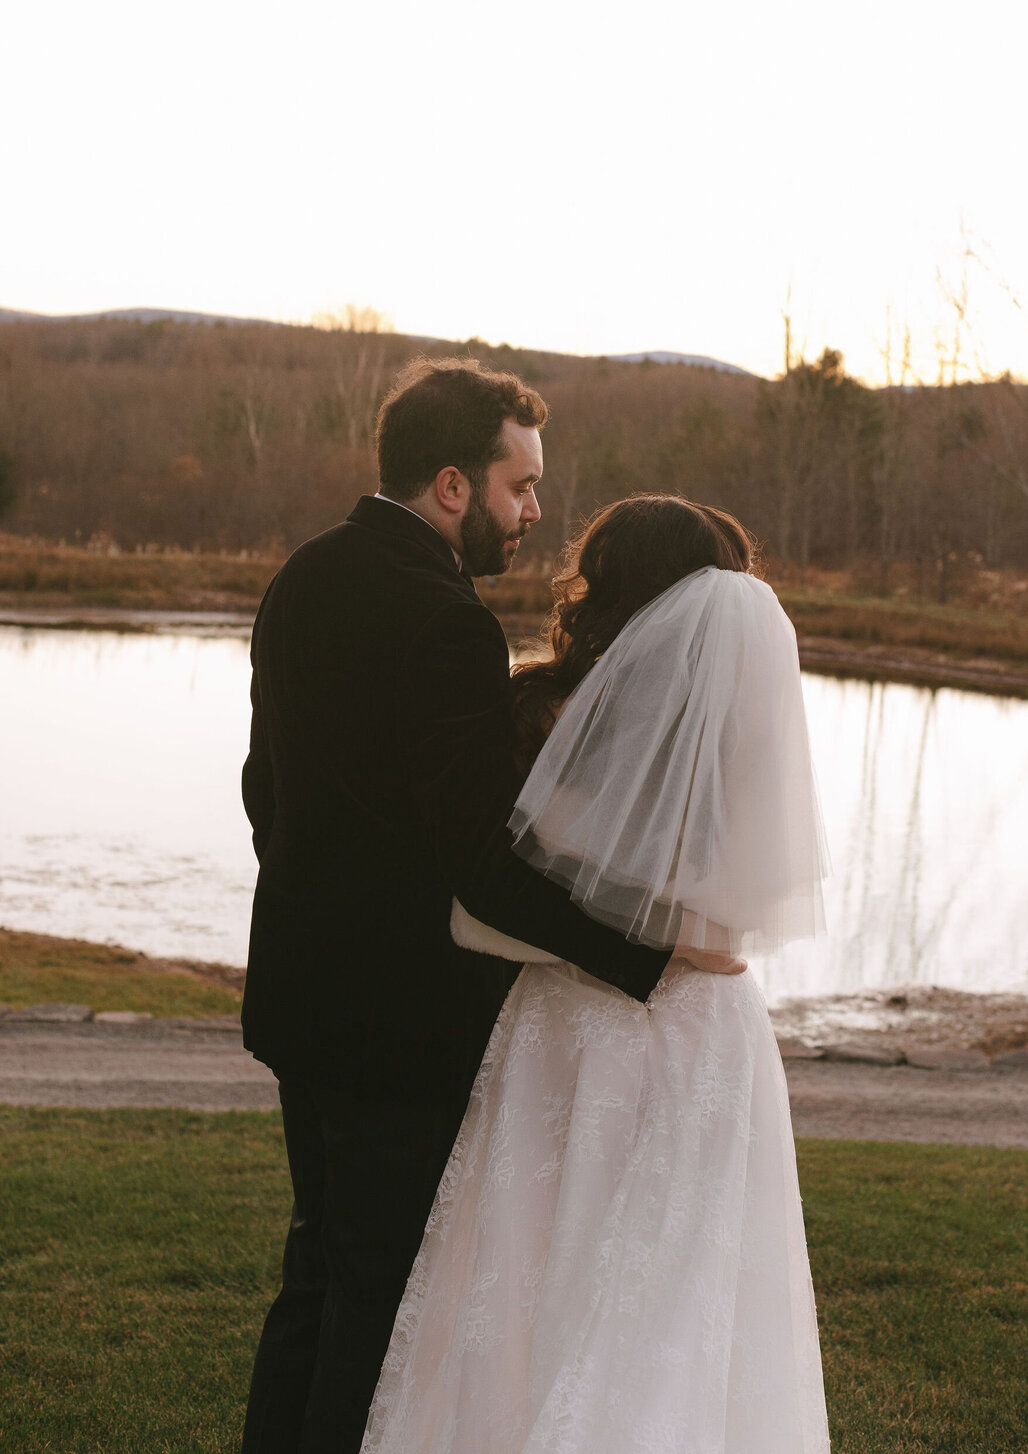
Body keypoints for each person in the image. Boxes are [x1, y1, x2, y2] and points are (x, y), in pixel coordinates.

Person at [238, 362, 744, 1454]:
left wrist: (317, 899)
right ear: (454, 485)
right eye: (520, 487)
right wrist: (648, 958)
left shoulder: (300, 578)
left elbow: (262, 788)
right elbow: (479, 863)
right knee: (376, 1298)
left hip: (294, 996)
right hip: (400, 1027)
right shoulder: (447, 622)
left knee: (315, 1270)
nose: (534, 512)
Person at [360, 495, 831, 1453]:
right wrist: (676, 942)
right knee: (673, 1284)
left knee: (544, 1268)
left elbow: (485, 898)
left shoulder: (538, 714)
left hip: (572, 1020)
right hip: (699, 1026)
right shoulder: (731, 734)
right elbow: (730, 927)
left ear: (604, 589)